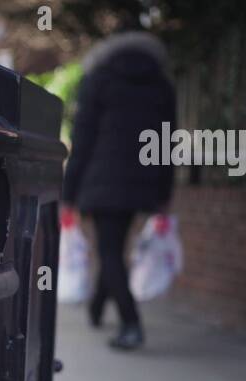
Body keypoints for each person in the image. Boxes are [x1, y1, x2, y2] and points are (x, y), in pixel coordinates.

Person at [62, 28, 176, 351]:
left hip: (101, 181)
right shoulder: (162, 85)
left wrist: (68, 193)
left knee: (110, 250)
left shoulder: (99, 79)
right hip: (142, 183)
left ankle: (131, 323)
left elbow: (82, 139)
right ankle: (97, 307)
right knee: (113, 248)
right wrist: (164, 192)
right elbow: (167, 142)